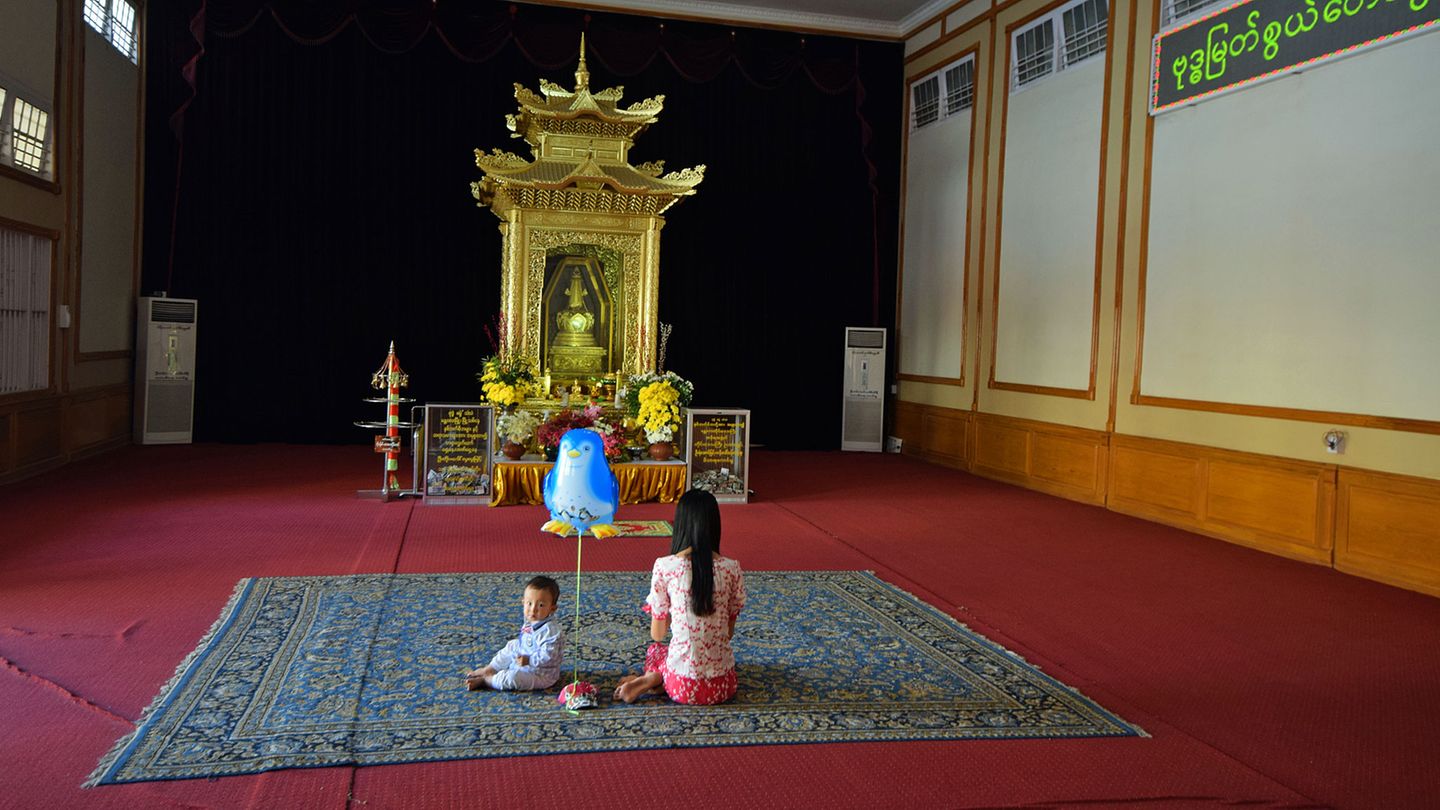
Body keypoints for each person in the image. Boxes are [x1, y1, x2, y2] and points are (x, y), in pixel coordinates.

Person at [614, 489, 745, 705]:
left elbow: (657, 634)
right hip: (723, 686)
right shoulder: (732, 568)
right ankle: (654, 681)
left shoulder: (665, 566)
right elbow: (728, 634)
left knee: (657, 650)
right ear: (715, 525)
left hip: (680, 687)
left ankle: (652, 679)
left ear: (680, 524)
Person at [465, 575, 565, 691]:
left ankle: (487, 680)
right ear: (523, 602)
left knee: (512, 678)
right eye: (529, 603)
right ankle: (490, 669)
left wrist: (529, 660)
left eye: (541, 605)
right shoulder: (532, 619)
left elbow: (549, 657)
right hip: (525, 658)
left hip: (540, 675)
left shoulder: (551, 632)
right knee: (512, 645)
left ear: (552, 609)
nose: (533, 609)